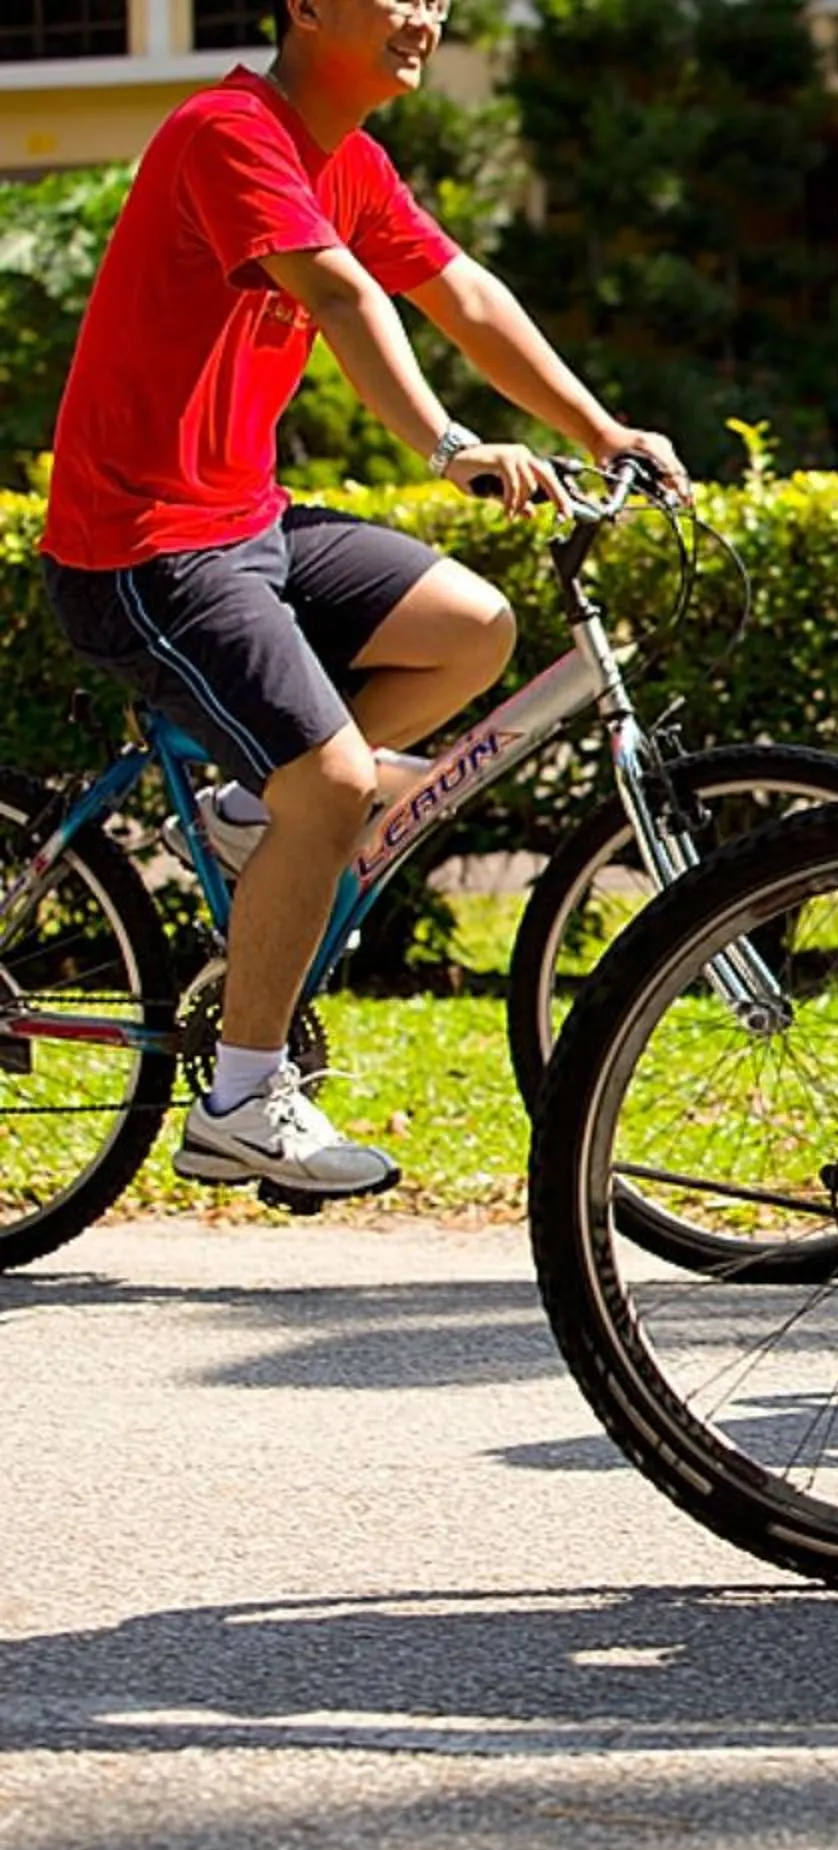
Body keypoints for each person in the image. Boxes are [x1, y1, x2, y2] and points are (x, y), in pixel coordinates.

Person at [37, 0, 684, 1205]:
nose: (427, 17)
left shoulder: (351, 158)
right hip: (142, 546)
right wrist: (449, 445)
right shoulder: (229, 131)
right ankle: (240, 1101)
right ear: (307, 6)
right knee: (334, 786)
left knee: (473, 627)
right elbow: (340, 297)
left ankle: (250, 809)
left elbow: (464, 293)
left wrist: (603, 430)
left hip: (244, 522)